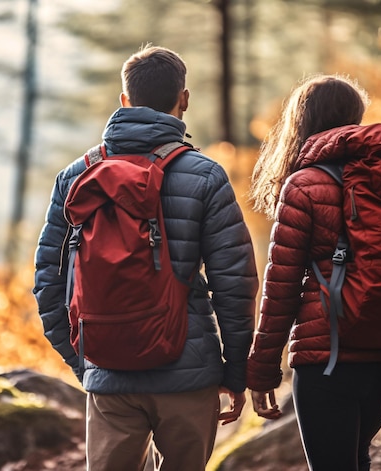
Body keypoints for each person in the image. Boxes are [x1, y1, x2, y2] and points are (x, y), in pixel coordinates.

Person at [33, 45, 258, 471]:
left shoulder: (76, 177)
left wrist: (85, 362)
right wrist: (235, 370)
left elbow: (48, 280)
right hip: (189, 372)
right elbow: (236, 282)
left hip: (109, 371)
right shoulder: (206, 176)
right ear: (184, 100)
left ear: (124, 100)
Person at [246, 74, 381, 470]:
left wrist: (261, 371)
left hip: (327, 359)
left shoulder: (304, 186)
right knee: (355, 460)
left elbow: (282, 288)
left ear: (302, 121)